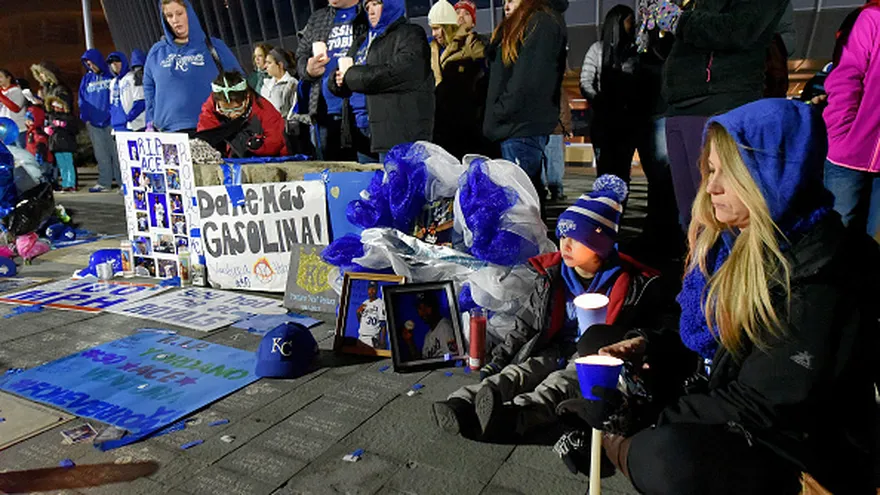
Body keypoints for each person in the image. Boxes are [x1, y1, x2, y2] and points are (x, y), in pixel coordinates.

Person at [556, 99, 879, 495]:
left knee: (664, 459)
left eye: (731, 173)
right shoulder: (729, 240)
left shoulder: (819, 274)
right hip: (719, 388)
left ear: (776, 174)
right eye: (710, 170)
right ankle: (609, 435)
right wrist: (646, 346)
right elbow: (697, 332)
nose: (711, 187)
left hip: (792, 444)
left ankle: (612, 444)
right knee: (599, 342)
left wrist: (643, 416)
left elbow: (761, 403)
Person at [432, 175, 669, 441]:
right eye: (563, 234)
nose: (565, 244)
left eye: (576, 238)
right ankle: (463, 403)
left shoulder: (631, 286)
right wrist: (498, 360)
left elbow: (645, 330)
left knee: (558, 385)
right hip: (554, 346)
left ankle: (516, 417)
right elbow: (527, 324)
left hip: (591, 356)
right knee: (521, 372)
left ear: (600, 245)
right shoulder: (553, 276)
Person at [639, 0, 789, 230]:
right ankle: (699, 263)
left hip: (719, 101)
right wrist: (656, 30)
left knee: (719, 215)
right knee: (690, 216)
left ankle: (728, 264)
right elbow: (676, 48)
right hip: (680, 102)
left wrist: (680, 20)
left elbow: (738, 30)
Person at [483, 0, 567, 204]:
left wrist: (499, 111)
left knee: (521, 207)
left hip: (519, 128)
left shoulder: (540, 22)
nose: (505, 4)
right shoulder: (525, 22)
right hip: (512, 128)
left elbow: (527, 80)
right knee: (519, 206)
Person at [328, 0, 434, 161]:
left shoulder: (410, 34)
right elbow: (345, 75)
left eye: (376, 4)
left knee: (397, 184)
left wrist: (350, 76)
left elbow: (396, 73)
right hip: (362, 132)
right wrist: (336, 81)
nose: (370, 11)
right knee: (369, 184)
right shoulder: (362, 40)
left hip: (396, 133)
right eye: (367, 7)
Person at [823, 1, 880, 243]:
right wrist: (840, 132)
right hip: (847, 153)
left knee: (869, 244)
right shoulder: (873, 17)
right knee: (832, 239)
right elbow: (846, 76)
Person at [144, 0, 241, 134]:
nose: (175, 20)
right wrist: (151, 122)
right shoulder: (156, 52)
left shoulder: (214, 47)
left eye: (179, 13)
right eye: (169, 15)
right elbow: (149, 90)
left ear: (189, 13)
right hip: (170, 134)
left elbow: (239, 81)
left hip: (211, 130)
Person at [295, 0, 369, 161]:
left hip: (363, 112)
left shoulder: (368, 13)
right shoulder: (318, 18)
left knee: (368, 174)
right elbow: (300, 56)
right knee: (334, 175)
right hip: (325, 113)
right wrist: (307, 69)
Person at [580, 5, 640, 185]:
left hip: (627, 121)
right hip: (603, 120)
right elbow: (585, 81)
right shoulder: (597, 50)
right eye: (630, 21)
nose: (633, 25)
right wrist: (599, 100)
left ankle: (619, 209)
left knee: (623, 171)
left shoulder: (634, 52)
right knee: (605, 170)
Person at [430, 0, 491, 159]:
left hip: (465, 121)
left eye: (466, 14)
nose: (461, 17)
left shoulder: (472, 43)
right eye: (458, 12)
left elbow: (486, 71)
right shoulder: (432, 49)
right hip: (439, 121)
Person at [196, 71, 288, 158]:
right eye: (225, 110)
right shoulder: (211, 108)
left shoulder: (264, 110)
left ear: (247, 99)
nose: (232, 115)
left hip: (261, 158)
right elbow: (205, 136)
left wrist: (256, 146)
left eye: (237, 109)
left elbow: (277, 141)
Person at [79, 49, 119, 193]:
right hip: (94, 123)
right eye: (87, 64)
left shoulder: (111, 75)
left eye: (92, 62)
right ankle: (104, 182)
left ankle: (122, 182)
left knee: (116, 153)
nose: (90, 66)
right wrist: (85, 117)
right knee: (101, 154)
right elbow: (81, 98)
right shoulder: (87, 79)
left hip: (111, 121)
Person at [542, 88, 571, 202]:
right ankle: (556, 190)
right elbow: (563, 108)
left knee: (540, 161)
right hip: (554, 129)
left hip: (535, 129)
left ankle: (541, 190)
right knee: (554, 161)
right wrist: (566, 127)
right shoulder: (557, 87)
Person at [44, 96, 78, 193]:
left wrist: (64, 125)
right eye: (54, 106)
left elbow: (75, 129)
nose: (56, 108)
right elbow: (49, 126)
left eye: (58, 106)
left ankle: (71, 184)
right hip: (56, 144)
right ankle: (65, 184)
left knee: (68, 165)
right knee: (62, 166)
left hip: (67, 144)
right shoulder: (51, 116)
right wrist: (48, 129)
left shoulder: (69, 117)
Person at [108, 50, 147, 134]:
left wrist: (128, 118)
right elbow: (112, 105)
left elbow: (141, 101)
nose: (114, 64)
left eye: (117, 61)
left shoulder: (133, 77)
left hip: (135, 127)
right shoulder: (112, 83)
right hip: (118, 128)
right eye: (111, 62)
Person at [413, 292, 457, 359]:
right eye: (420, 308)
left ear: (435, 306)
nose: (423, 311)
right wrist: (409, 341)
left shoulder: (445, 327)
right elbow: (423, 362)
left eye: (427, 306)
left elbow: (454, 359)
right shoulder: (427, 336)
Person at [260, 48, 299, 119]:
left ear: (280, 65)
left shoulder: (292, 84)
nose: (265, 66)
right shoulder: (265, 85)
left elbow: (294, 112)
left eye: (269, 63)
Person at [0, 70, 27, 147]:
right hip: (4, 131)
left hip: (18, 129)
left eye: (0, 77)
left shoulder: (17, 91)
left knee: (22, 154)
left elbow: (15, 108)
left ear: (8, 78)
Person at [356, 281, 386, 348]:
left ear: (377, 290)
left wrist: (383, 341)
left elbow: (383, 324)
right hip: (361, 337)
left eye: (373, 289)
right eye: (370, 289)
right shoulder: (365, 303)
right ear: (367, 290)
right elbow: (360, 321)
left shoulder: (380, 303)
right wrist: (357, 313)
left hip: (372, 338)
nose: (371, 291)